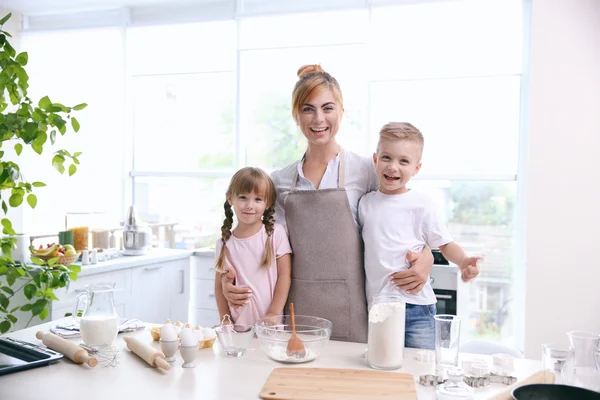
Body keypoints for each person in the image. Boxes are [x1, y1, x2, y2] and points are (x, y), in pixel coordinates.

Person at [220, 65, 434, 343]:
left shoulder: (366, 171)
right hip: (297, 306)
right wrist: (226, 282)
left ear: (342, 112)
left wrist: (426, 256)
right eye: (308, 109)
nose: (318, 118)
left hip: (354, 305)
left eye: (328, 108)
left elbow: (405, 217)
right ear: (296, 116)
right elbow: (258, 244)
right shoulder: (280, 181)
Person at [358, 122, 481, 349]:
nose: (393, 167)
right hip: (379, 307)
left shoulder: (421, 204)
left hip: (416, 307)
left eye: (403, 161)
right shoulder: (365, 204)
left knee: (421, 368)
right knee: (384, 367)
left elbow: (445, 244)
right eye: (387, 158)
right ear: (375, 160)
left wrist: (463, 261)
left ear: (416, 168)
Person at [213, 167, 292, 326]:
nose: (249, 205)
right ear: (230, 198)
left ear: (267, 202)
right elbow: (219, 286)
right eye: (243, 197)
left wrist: (274, 313)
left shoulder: (276, 234)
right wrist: (225, 320)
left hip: (270, 328)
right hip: (238, 328)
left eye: (258, 199)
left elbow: (285, 275)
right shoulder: (224, 244)